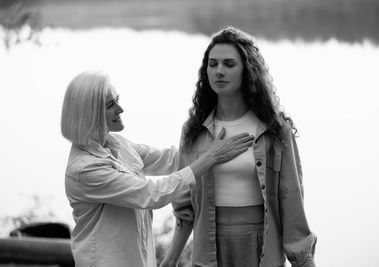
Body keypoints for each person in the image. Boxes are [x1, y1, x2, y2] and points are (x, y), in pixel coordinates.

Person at [61, 70, 254, 267]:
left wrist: (215, 140)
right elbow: (152, 194)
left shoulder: (116, 144)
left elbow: (169, 159)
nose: (121, 109)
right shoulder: (85, 169)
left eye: (117, 100)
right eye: (110, 105)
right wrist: (211, 156)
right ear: (89, 115)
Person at [161, 27, 317, 267]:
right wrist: (169, 260)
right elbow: (184, 209)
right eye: (213, 64)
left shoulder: (274, 130)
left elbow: (291, 199)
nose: (219, 71)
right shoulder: (193, 131)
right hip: (208, 252)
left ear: (248, 70)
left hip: (261, 247)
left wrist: (304, 261)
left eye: (229, 64)